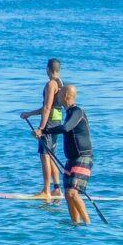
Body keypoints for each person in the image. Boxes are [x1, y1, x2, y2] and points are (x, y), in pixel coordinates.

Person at [34, 85, 93, 225]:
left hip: (82, 158)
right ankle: (75, 224)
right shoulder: (68, 113)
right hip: (71, 160)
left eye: (59, 94)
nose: (57, 97)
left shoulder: (78, 112)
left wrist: (44, 131)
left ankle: (88, 224)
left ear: (66, 96)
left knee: (72, 193)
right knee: (67, 194)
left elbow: (66, 128)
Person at [20, 58, 65, 198]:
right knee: (51, 155)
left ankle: (46, 190)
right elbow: (52, 107)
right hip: (57, 121)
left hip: (49, 123)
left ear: (48, 69)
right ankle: (57, 188)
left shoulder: (51, 84)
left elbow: (47, 107)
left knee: (44, 156)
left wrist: (41, 128)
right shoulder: (61, 83)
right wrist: (30, 114)